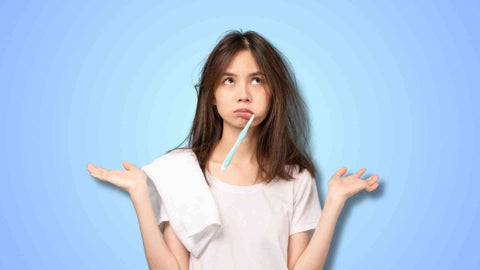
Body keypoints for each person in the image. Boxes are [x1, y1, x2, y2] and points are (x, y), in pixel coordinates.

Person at [86, 29, 379, 270]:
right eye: (229, 81)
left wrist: (335, 202)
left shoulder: (295, 177)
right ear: (212, 95)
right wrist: (140, 196)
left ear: (273, 93)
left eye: (257, 80)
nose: (243, 95)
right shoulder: (181, 171)